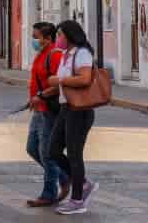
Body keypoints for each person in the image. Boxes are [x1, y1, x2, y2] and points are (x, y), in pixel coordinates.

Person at [47, 20, 99, 216]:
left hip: (80, 110)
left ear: (69, 35)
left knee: (75, 154)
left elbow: (85, 79)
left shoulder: (81, 53)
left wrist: (59, 79)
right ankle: (83, 182)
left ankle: (77, 200)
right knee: (53, 150)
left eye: (60, 34)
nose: (58, 38)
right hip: (66, 107)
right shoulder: (66, 55)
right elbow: (65, 83)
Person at [25, 22, 69, 208]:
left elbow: (59, 83)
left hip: (49, 110)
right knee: (32, 148)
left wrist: (41, 96)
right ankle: (64, 177)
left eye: (36, 37)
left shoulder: (55, 55)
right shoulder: (41, 54)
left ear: (48, 38)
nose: (34, 40)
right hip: (38, 109)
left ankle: (48, 194)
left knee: (47, 154)